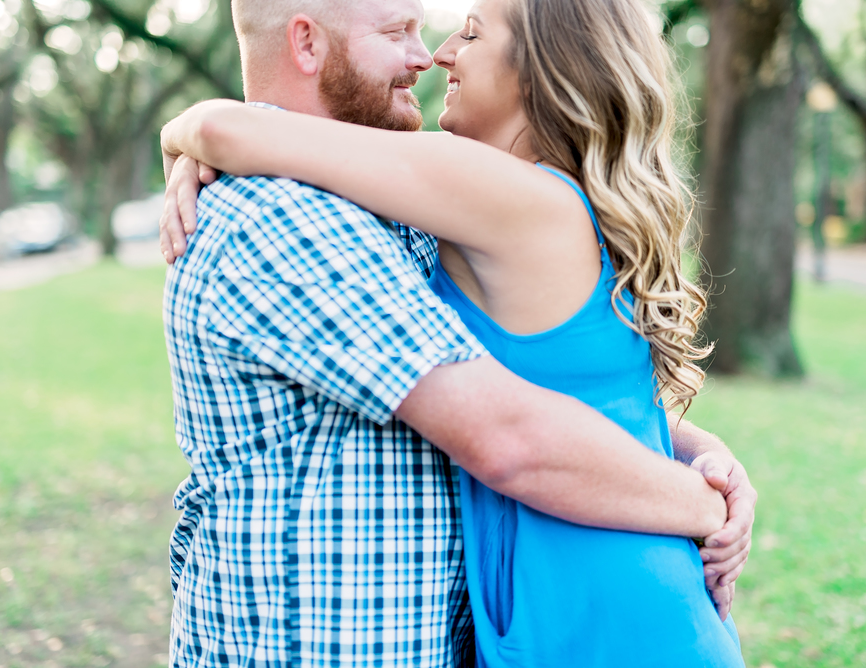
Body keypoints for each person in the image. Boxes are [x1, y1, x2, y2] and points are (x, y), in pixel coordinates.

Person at [158, 0, 756, 665]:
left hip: (612, 614)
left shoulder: (501, 197)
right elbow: (566, 391)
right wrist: (701, 468)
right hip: (581, 602)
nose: (436, 54)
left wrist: (192, 129)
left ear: (540, 72)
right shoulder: (431, 212)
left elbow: (229, 131)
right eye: (398, 33)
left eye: (467, 34)